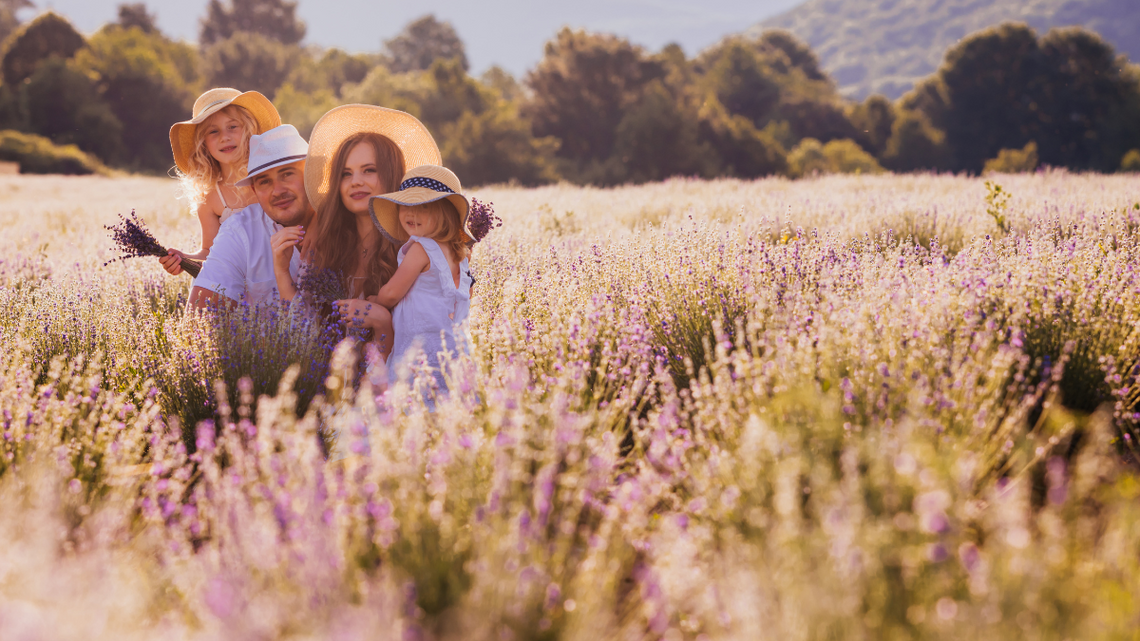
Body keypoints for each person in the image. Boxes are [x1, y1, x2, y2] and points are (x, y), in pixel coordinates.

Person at [270, 104, 441, 357]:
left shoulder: (415, 248)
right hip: (332, 384)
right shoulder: (326, 244)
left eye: (369, 170)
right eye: (345, 174)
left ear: (392, 175)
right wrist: (282, 272)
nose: (356, 182)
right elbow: (304, 331)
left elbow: (428, 340)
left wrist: (382, 322)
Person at [368, 165, 475, 398]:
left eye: (423, 207)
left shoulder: (421, 249)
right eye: (405, 206)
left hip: (422, 346)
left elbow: (393, 292)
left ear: (445, 214)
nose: (411, 214)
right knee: (448, 401)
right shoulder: (461, 254)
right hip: (453, 348)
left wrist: (376, 300)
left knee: (414, 399)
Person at [188, 124, 311, 308]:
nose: (277, 191)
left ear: (311, 175)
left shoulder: (350, 222)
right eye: (265, 182)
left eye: (287, 174)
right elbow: (198, 321)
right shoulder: (239, 230)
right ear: (254, 190)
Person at [160, 88, 281, 276]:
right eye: (213, 131)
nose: (224, 137)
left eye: (233, 127)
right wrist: (183, 259)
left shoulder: (271, 178)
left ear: (249, 131)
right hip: (240, 285)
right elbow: (210, 252)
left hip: (282, 273)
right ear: (204, 144)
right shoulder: (210, 199)